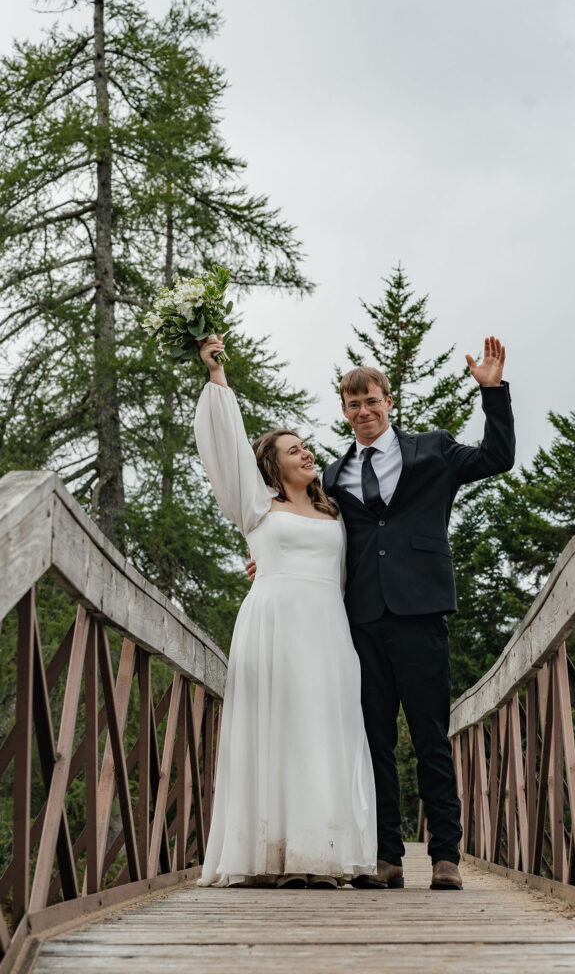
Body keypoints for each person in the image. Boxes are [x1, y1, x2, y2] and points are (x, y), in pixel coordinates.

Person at [249, 335, 515, 890]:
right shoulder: (335, 477)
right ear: (343, 412)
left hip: (421, 612)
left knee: (430, 736)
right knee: (372, 740)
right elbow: (302, 524)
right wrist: (266, 562)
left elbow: (498, 458)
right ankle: (385, 856)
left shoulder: (433, 450)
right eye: (353, 405)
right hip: (359, 620)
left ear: (388, 401)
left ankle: (446, 855)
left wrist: (492, 393)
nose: (364, 412)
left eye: (372, 401)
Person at [194, 334, 377, 889]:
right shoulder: (256, 506)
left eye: (306, 446)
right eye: (292, 449)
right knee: (277, 732)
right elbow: (226, 448)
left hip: (328, 630)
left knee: (326, 732)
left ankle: (321, 853)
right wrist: (217, 377)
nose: (306, 452)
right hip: (273, 627)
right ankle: (270, 856)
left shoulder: (335, 511)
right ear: (272, 466)